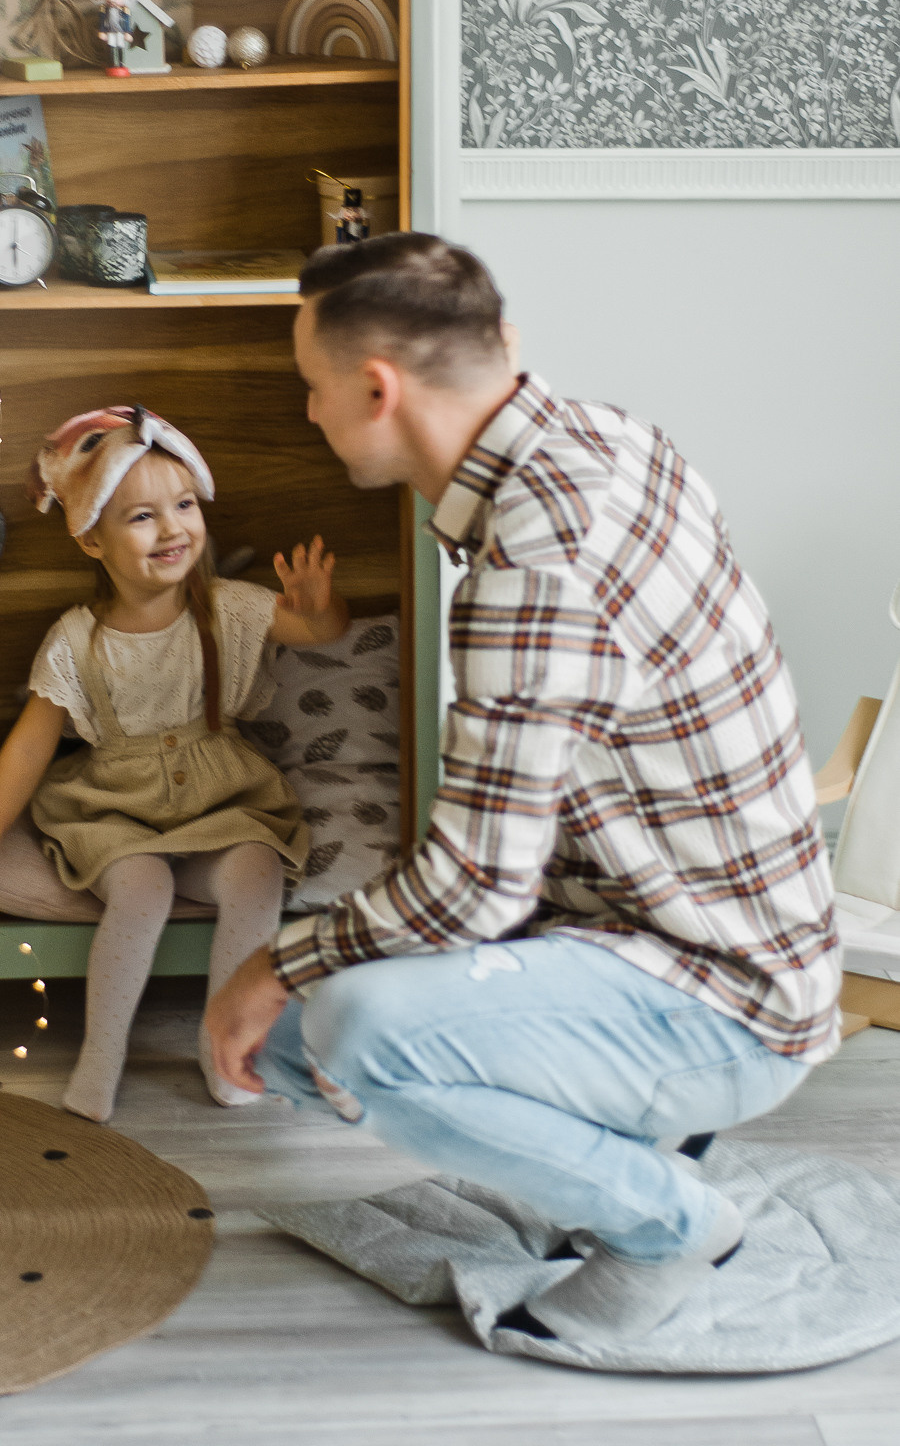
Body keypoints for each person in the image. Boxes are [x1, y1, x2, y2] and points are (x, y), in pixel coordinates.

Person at [205, 234, 840, 1350]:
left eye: (310, 387)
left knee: (347, 1028)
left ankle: (667, 1226)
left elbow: (473, 888)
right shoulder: (609, 439)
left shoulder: (533, 570)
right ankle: (629, 1152)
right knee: (307, 1028)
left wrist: (272, 963)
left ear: (376, 390)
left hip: (723, 999)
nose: (307, 412)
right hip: (699, 935)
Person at [0, 403, 346, 1123]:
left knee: (256, 869)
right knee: (142, 888)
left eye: (185, 505)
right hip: (117, 808)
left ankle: (228, 1042)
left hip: (217, 799)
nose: (172, 528)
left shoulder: (227, 608)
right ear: (92, 541)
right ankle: (102, 1054)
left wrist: (320, 611)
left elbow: (316, 631)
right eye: (142, 517)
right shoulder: (77, 640)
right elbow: (31, 743)